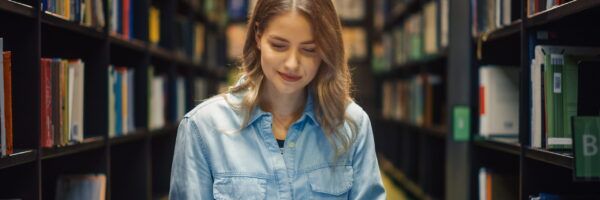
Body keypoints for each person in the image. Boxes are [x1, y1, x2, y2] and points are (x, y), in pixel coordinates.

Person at [169, 0, 386, 199]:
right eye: (279, 45)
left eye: (309, 49)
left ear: (326, 50)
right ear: (258, 37)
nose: (292, 63)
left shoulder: (352, 124)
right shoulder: (202, 128)